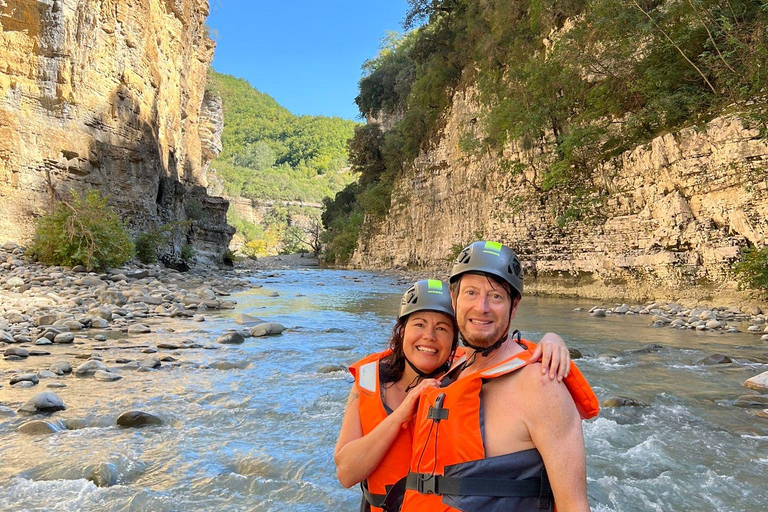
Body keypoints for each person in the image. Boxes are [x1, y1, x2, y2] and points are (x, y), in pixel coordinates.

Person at [334, 279, 574, 512]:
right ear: (402, 330)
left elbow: (506, 351)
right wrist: (401, 415)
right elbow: (346, 474)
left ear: (453, 342)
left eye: (442, 328)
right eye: (419, 324)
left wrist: (553, 339)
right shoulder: (369, 382)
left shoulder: (461, 376)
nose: (429, 336)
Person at [401, 241, 599, 512]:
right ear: (454, 297)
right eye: (471, 292)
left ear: (513, 307)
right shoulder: (451, 365)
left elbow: (574, 506)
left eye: (496, 297)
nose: (481, 307)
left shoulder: (541, 386)